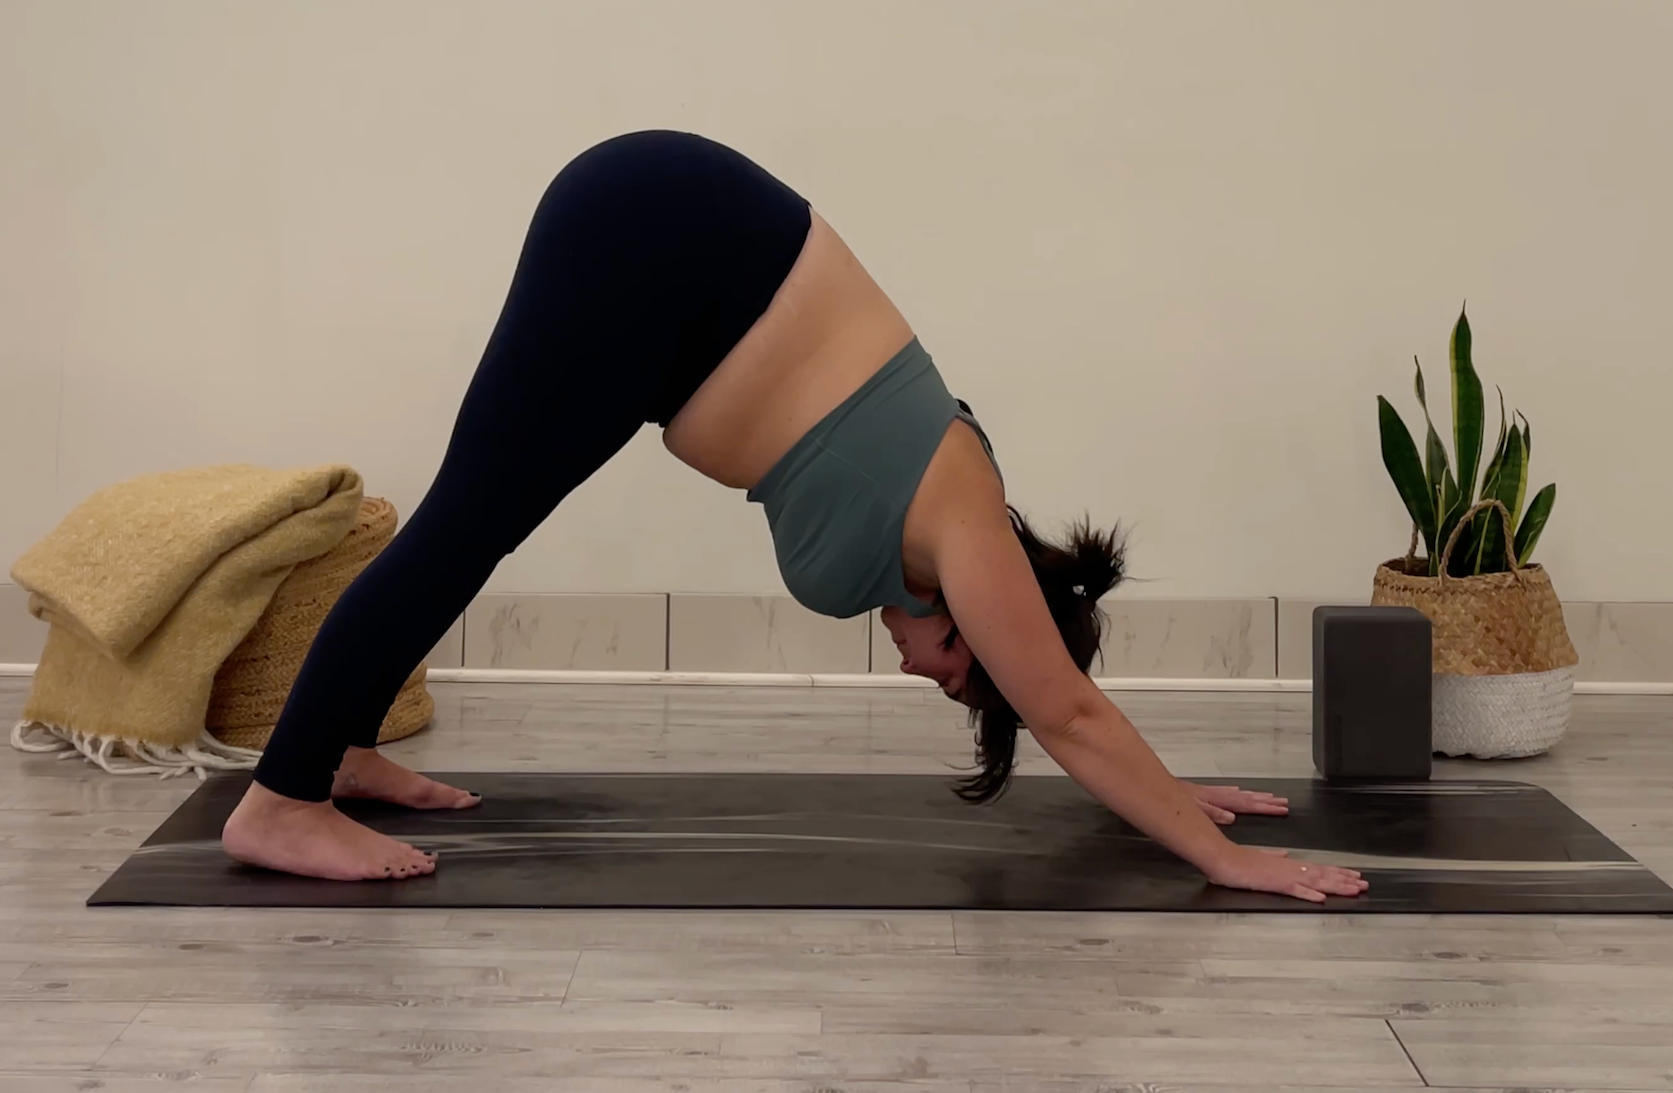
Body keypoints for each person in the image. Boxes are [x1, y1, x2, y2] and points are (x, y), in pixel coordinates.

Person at [220, 131, 1368, 904]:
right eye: (957, 676)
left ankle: (345, 749)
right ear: (976, 625)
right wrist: (1219, 855)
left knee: (475, 525)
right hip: (661, 246)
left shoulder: (958, 517)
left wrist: (1162, 790)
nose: (926, 675)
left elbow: (1060, 691)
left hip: (679, 281)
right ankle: (281, 804)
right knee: (463, 528)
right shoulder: (964, 531)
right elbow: (1061, 706)